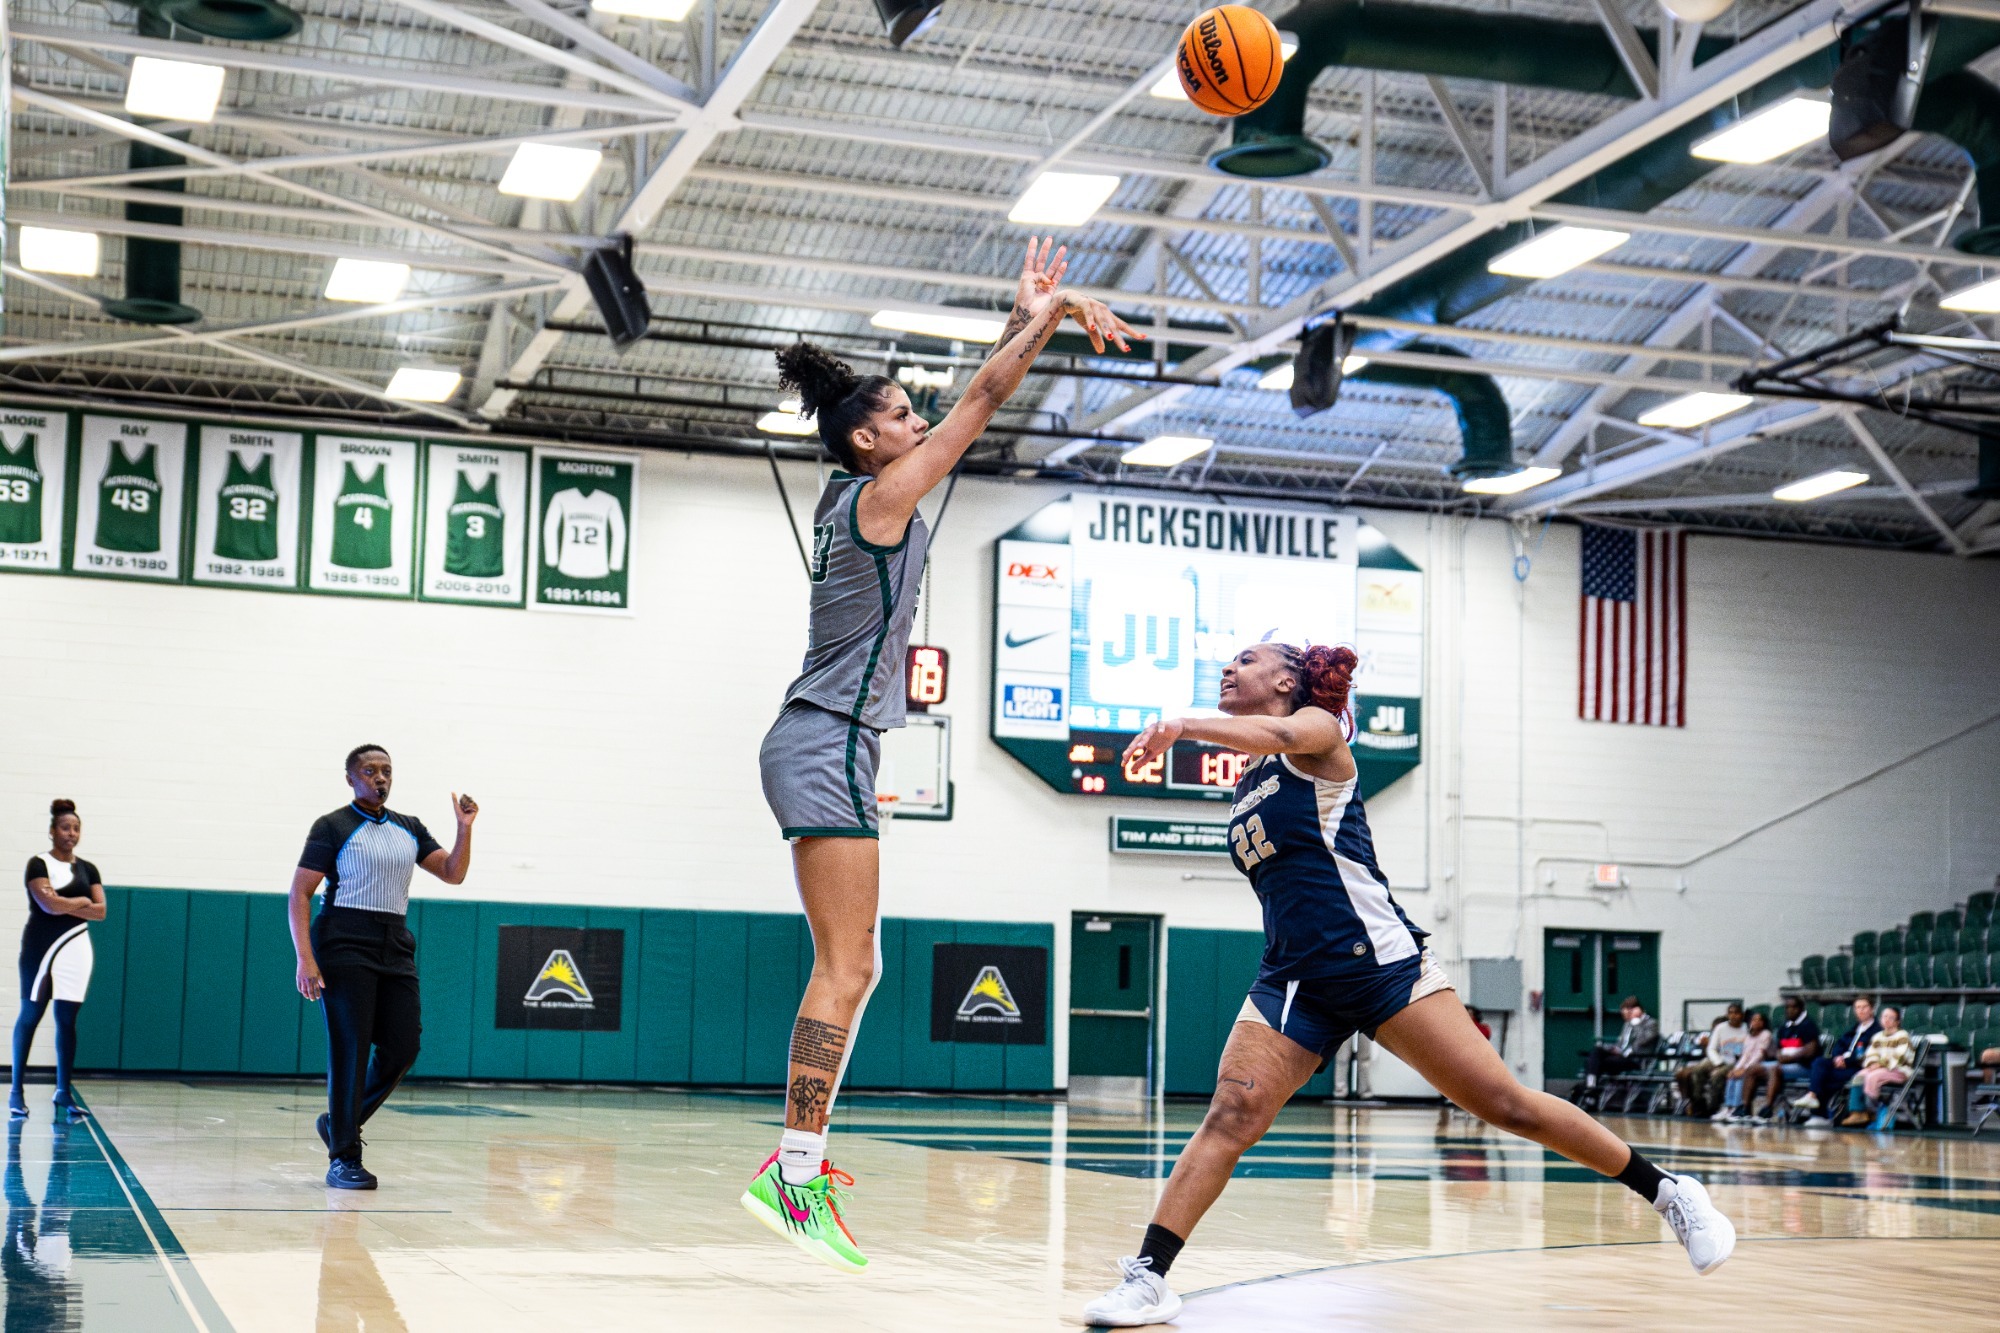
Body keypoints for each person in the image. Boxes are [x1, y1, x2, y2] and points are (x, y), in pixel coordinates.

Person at [1081, 643, 1735, 1325]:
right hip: (1293, 977)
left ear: (1284, 678)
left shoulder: (1319, 736)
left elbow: (1280, 734)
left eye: (1245, 658)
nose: (1226, 668)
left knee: (1507, 1105)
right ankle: (1149, 1277)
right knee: (1229, 1115)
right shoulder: (1249, 779)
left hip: (1382, 965)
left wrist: (1180, 725)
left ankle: (1671, 1193)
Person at [739, 239, 1138, 1274]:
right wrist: (1041, 324)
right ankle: (791, 1171)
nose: (922, 426)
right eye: (905, 419)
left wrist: (1029, 316)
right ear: (868, 440)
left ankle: (799, 1160)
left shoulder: (856, 496)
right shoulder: (878, 496)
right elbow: (982, 404)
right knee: (846, 963)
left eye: (917, 417)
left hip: (833, 740)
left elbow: (971, 398)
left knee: (854, 963)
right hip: (826, 737)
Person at [289, 745, 477, 1190]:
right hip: (343, 941)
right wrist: (305, 958)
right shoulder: (333, 825)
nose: (380, 777)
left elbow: (452, 873)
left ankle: (339, 1123)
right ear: (351, 778)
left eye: (386, 771)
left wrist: (464, 830)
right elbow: (300, 894)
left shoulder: (408, 828)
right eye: (370, 771)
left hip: (394, 944)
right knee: (350, 1050)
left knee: (403, 1047)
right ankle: (344, 1158)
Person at [10, 801, 105, 1122]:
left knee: (67, 1020)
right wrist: (80, 901)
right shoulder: (37, 864)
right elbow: (47, 906)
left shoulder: (88, 868)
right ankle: (15, 1093)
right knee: (31, 1014)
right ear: (52, 831)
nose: (71, 833)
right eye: (65, 828)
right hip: (40, 947)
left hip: (77, 948)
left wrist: (66, 903)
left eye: (76, 828)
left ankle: (63, 1091)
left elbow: (101, 911)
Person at [1797, 996, 1878, 1127]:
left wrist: (1848, 1061)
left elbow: (1869, 1054)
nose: (1861, 1010)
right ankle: (1812, 1097)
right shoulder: (1854, 1028)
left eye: (1864, 1007)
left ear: (1872, 1009)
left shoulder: (1876, 1030)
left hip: (1857, 1066)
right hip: (1840, 1062)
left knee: (1825, 1078)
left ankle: (1819, 1113)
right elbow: (1839, 1045)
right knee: (1819, 1062)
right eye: (1858, 1007)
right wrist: (1837, 1057)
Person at [1840, 1006, 1914, 1129]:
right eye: (1885, 1016)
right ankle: (1858, 1111)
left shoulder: (1903, 1036)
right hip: (1879, 1068)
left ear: (1897, 1021)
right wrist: (1873, 1063)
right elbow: (1870, 1054)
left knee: (1872, 1077)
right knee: (1859, 1076)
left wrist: (1880, 1064)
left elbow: (1900, 1056)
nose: (1887, 1020)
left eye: (1891, 1018)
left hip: (1898, 1070)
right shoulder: (1878, 1036)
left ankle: (1874, 1109)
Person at [1751, 995, 1820, 1121]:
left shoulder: (1808, 1025)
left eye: (1793, 1007)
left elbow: (1811, 1051)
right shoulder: (1785, 1027)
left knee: (1774, 1068)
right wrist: (1778, 1055)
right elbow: (1778, 1049)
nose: (1790, 1010)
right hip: (1783, 1065)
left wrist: (1789, 1058)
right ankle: (1743, 1110)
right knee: (1752, 1069)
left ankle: (1767, 1108)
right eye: (1787, 1007)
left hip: (1804, 1066)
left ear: (1801, 1009)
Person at [1581, 996, 1659, 1100]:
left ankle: (1591, 1091)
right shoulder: (1627, 1024)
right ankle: (1591, 1086)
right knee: (1597, 1051)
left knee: (1595, 1062)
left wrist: (1637, 1024)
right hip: (1621, 1056)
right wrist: (1613, 1049)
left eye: (1627, 1012)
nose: (1625, 1016)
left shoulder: (1651, 1024)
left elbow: (1642, 1041)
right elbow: (1621, 1043)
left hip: (1635, 1059)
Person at [1676, 1004, 1747, 1118]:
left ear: (1742, 1015)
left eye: (1736, 1013)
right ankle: (1698, 1102)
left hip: (1736, 1062)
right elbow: (1711, 1048)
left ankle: (1713, 1107)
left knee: (1717, 1076)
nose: (1733, 1016)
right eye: (1731, 1013)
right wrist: (1718, 1062)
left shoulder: (1746, 1029)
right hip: (1719, 1059)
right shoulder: (1721, 1028)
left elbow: (1747, 1052)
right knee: (1698, 1071)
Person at [1711, 1011, 1773, 1123]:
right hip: (1749, 1065)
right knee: (1732, 1076)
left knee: (1741, 1076)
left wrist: (1744, 1069)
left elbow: (1759, 1055)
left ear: (1763, 1023)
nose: (1756, 1022)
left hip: (1761, 1065)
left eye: (1759, 1020)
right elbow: (1745, 1056)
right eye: (1754, 1020)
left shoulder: (1766, 1034)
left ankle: (1737, 1107)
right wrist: (1736, 1069)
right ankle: (1728, 1107)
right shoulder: (1749, 1037)